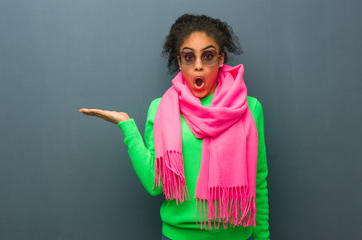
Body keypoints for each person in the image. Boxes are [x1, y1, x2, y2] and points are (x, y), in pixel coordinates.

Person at [79, 14, 269, 240]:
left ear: (220, 60)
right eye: (189, 57)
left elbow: (258, 182)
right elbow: (154, 184)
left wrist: (263, 237)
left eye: (207, 56)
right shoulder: (161, 109)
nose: (198, 66)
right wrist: (126, 126)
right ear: (179, 62)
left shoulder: (249, 108)